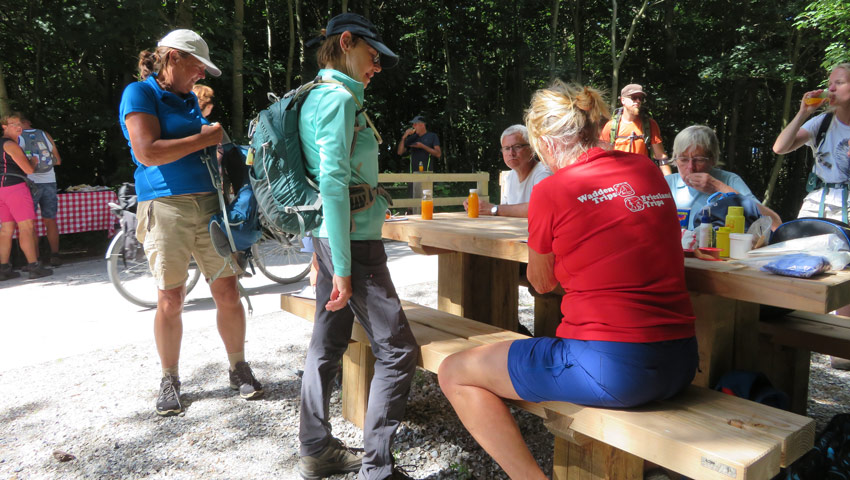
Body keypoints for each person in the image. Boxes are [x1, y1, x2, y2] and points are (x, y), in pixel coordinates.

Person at [438, 81, 698, 479]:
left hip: (612, 368)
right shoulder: (646, 168)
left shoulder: (551, 190)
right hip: (681, 360)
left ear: (545, 140)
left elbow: (540, 283)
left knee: (454, 371)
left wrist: (572, 263)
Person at [118, 29, 263, 417]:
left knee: (228, 292)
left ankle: (238, 366)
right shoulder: (141, 94)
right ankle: (170, 378)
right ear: (173, 58)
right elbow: (146, 152)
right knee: (171, 298)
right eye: (197, 65)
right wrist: (204, 139)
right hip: (165, 206)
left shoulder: (187, 100)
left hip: (209, 204)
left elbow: (207, 144)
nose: (201, 74)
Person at [297, 13, 417, 480]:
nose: (378, 67)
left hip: (334, 241)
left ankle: (315, 450)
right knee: (398, 349)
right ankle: (377, 470)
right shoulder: (338, 100)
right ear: (346, 43)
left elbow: (322, 185)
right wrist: (341, 267)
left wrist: (321, 252)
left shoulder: (316, 96)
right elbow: (329, 184)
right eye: (373, 56)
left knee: (325, 344)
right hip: (353, 245)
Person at [773, 63, 850, 369]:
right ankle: (797, 337)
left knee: (845, 275)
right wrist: (803, 112)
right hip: (817, 202)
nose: (830, 88)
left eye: (839, 83)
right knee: (800, 266)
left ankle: (841, 347)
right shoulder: (821, 123)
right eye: (829, 83)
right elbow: (780, 147)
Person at [667, 125, 782, 230]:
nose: (691, 167)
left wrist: (718, 187)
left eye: (699, 159)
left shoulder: (728, 180)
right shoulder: (667, 184)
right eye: (683, 159)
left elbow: (774, 224)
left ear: (712, 160)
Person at [0, 114, 53, 280]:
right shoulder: (10, 145)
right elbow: (28, 170)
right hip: (15, 188)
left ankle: (3, 269)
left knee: (6, 230)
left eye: (19, 124)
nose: (18, 127)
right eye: (13, 124)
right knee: (27, 227)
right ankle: (33, 266)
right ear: (4, 127)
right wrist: (34, 161)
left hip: (1, 190)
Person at [463, 124, 551, 217]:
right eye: (507, 148)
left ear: (532, 148)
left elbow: (540, 207)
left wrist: (493, 209)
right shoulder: (510, 176)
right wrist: (482, 207)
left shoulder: (543, 172)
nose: (511, 153)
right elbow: (506, 210)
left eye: (517, 147)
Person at [599, 83, 673, 175]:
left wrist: (670, 182)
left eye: (640, 98)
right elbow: (601, 157)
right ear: (623, 100)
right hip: (618, 178)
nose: (638, 101)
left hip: (642, 177)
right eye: (634, 97)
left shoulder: (649, 124)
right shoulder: (611, 126)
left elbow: (661, 157)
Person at [18, 116, 63, 267]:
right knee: (50, 220)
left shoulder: (18, 138)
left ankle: (34, 260)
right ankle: (55, 255)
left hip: (29, 183)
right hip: (49, 181)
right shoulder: (45, 135)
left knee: (28, 223)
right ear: (29, 122)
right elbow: (57, 160)